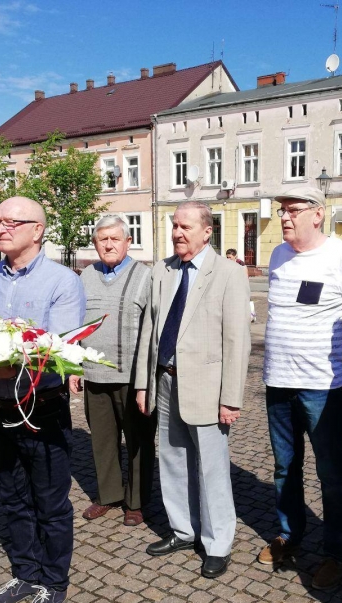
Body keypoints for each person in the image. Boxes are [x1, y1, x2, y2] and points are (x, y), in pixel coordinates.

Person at [0, 196, 86, 603]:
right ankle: (25, 573)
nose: (0, 228)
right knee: (13, 496)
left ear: (37, 230)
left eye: (11, 222)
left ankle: (53, 582)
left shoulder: (62, 281)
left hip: (43, 409)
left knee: (50, 502)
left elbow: (56, 350)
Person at [258, 186, 342, 590]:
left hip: (321, 387)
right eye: (282, 210)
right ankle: (290, 535)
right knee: (284, 467)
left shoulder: (340, 255)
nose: (284, 217)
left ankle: (337, 552)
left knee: (331, 471)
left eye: (293, 210)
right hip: (277, 381)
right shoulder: (278, 255)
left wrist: (336, 352)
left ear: (317, 214)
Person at [134, 200, 251, 579]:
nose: (177, 233)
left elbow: (237, 340)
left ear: (207, 231)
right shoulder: (162, 270)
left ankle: (217, 544)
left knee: (211, 469)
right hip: (165, 381)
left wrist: (230, 398)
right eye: (174, 226)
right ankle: (183, 530)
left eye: (185, 227)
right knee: (172, 459)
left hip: (207, 389)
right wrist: (143, 384)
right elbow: (150, 331)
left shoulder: (229, 273)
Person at [70, 215, 155, 527]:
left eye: (115, 239)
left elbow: (153, 330)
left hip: (133, 378)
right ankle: (109, 495)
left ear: (128, 242)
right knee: (103, 441)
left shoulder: (145, 276)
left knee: (138, 442)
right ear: (95, 243)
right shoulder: (86, 276)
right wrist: (74, 367)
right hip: (94, 375)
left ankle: (136, 501)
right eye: (102, 239)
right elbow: (77, 325)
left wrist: (146, 379)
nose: (108, 245)